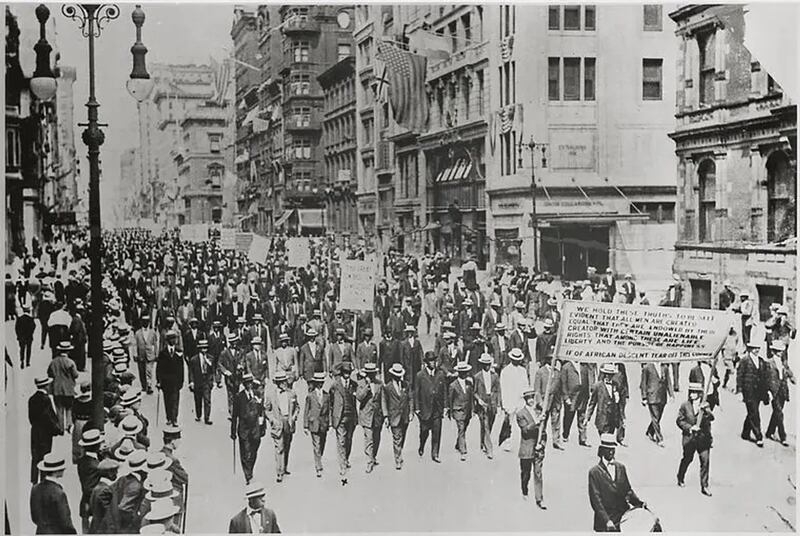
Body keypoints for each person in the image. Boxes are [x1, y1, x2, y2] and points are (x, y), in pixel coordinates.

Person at [588, 434, 645, 532]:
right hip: (605, 523)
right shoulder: (594, 472)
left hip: (622, 519)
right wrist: (607, 521)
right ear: (601, 450)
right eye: (608, 449)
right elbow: (596, 501)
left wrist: (640, 503)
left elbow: (628, 491)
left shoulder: (621, 468)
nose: (611, 452)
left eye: (613, 449)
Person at [676, 382, 714, 496]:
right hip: (690, 439)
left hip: (703, 439)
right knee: (687, 459)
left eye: (695, 392)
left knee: (705, 461)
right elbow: (679, 420)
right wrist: (690, 428)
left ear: (699, 393)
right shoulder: (685, 405)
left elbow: (712, 417)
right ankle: (680, 476)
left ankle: (704, 486)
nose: (692, 394)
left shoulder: (705, 405)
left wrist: (705, 410)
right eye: (691, 392)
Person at [231, 373, 266, 485]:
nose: (249, 385)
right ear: (244, 384)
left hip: (255, 428)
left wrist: (263, 426)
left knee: (254, 449)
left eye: (251, 383)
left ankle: (250, 468)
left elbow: (261, 411)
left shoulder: (256, 394)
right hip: (244, 429)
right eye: (247, 383)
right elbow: (234, 415)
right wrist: (233, 431)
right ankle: (248, 475)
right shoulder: (239, 397)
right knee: (245, 452)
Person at [30, 452, 77, 534]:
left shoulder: (35, 489)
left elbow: (34, 517)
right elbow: (66, 522)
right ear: (57, 471)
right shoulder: (58, 493)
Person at [265, 371, 299, 483]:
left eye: (285, 381)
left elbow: (297, 407)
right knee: (279, 448)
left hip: (288, 422)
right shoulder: (271, 395)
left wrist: (293, 417)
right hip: (278, 423)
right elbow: (267, 409)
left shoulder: (292, 393)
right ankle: (279, 472)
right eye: (281, 382)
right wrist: (272, 420)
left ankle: (284, 467)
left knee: (287, 445)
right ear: (277, 383)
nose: (284, 383)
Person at [29, 375, 62, 484]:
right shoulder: (46, 399)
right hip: (45, 433)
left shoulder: (32, 399)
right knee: (45, 456)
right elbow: (49, 418)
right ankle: (43, 480)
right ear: (46, 386)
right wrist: (57, 430)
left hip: (34, 431)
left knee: (35, 456)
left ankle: (34, 480)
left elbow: (31, 418)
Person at [517, 388, 546, 509]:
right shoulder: (521, 414)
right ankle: (524, 490)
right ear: (525, 400)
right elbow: (525, 430)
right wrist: (537, 422)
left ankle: (539, 499)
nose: (530, 400)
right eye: (528, 398)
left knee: (538, 473)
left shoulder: (539, 411)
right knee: (526, 473)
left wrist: (542, 443)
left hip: (538, 447)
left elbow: (543, 431)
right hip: (527, 448)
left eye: (532, 398)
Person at [737, 340, 770, 447]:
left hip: (759, 392)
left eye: (758, 348)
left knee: (752, 412)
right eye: (755, 348)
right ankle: (759, 436)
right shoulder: (744, 360)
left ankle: (745, 433)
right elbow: (740, 376)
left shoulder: (761, 361)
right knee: (754, 413)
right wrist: (739, 390)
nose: (757, 350)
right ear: (750, 348)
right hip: (748, 391)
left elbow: (764, 377)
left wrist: (766, 392)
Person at [330, 362, 358, 485]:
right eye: (345, 372)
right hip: (340, 418)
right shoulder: (335, 385)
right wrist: (333, 418)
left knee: (349, 440)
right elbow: (331, 402)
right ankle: (342, 465)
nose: (347, 375)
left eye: (349, 373)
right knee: (341, 441)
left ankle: (346, 458)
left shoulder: (353, 385)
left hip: (351, 417)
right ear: (342, 373)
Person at [382, 363, 413, 470]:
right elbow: (384, 402)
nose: (399, 377)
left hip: (404, 416)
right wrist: (386, 416)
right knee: (397, 438)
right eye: (397, 375)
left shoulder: (406, 385)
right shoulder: (387, 387)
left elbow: (410, 399)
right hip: (394, 416)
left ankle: (399, 452)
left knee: (402, 437)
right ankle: (398, 460)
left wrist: (411, 412)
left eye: (400, 374)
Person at [356, 362, 385, 472]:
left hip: (377, 415)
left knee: (376, 437)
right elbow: (359, 397)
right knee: (369, 438)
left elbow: (383, 400)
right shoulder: (361, 383)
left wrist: (385, 415)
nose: (371, 376)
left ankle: (373, 457)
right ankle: (369, 461)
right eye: (369, 374)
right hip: (366, 414)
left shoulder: (380, 384)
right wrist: (366, 388)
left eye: (373, 374)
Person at [500, 348, 530, 452]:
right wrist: (505, 404)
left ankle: (524, 442)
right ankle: (507, 442)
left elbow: (526, 385)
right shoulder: (505, 371)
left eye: (518, 359)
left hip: (520, 400)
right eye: (515, 359)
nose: (517, 361)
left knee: (523, 422)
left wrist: (527, 399)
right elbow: (503, 388)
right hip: (510, 401)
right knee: (509, 423)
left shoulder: (523, 371)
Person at [766, 340, 795, 446]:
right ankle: (783, 437)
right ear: (773, 351)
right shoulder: (768, 363)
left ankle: (769, 432)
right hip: (774, 391)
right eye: (778, 351)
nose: (780, 353)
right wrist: (768, 392)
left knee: (777, 413)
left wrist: (793, 378)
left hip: (783, 390)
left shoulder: (783, 362)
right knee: (779, 413)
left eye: (781, 351)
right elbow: (766, 379)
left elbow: (788, 371)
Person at [47, 341, 79, 432]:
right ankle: (69, 426)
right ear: (68, 351)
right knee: (69, 408)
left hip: (56, 389)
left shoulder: (53, 362)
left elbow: (49, 373)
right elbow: (75, 375)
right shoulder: (70, 362)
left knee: (59, 409)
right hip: (69, 389)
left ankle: (60, 428)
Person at [473, 353, 500, 459]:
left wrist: (498, 404)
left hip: (492, 402)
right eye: (485, 364)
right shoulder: (477, 377)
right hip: (482, 402)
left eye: (488, 363)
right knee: (485, 425)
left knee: (490, 424)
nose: (487, 366)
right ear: (482, 364)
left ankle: (483, 442)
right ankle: (489, 449)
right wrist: (479, 400)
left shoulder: (495, 376)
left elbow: (498, 390)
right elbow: (474, 392)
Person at [640, 361, 673, 447]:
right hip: (652, 396)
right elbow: (643, 383)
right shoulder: (647, 367)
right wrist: (644, 397)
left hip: (662, 396)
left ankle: (650, 431)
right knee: (655, 417)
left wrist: (671, 395)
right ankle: (659, 439)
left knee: (658, 417)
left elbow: (668, 381)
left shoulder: (665, 367)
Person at [303, 372, 330, 478]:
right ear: (315, 383)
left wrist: (330, 423)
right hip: (314, 423)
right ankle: (318, 467)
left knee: (322, 444)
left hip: (324, 423)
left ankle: (319, 459)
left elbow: (329, 410)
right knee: (316, 445)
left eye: (321, 382)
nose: (320, 384)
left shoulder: (326, 395)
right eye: (318, 383)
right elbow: (306, 411)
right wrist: (305, 425)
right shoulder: (310, 396)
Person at [115, 449, 148, 533]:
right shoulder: (136, 486)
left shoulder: (123, 478)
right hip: (128, 526)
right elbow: (124, 508)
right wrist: (136, 520)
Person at [586, 363, 622, 440]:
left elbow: (619, 405)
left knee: (610, 438)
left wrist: (621, 418)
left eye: (611, 375)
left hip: (613, 419)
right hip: (602, 418)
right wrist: (587, 417)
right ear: (605, 375)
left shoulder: (616, 385)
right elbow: (592, 403)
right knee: (605, 440)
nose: (609, 377)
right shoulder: (597, 386)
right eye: (608, 374)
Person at [76, 429, 102, 532]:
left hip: (85, 503)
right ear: (97, 445)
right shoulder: (96, 465)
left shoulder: (82, 461)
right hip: (94, 504)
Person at [156, 331, 184, 426]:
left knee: (175, 401)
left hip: (176, 382)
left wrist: (181, 381)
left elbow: (181, 368)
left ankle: (174, 419)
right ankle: (168, 417)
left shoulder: (179, 351)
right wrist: (159, 381)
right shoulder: (163, 353)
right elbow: (159, 369)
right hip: (166, 382)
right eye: (172, 339)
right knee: (167, 401)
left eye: (175, 338)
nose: (174, 340)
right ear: (168, 341)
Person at [449, 362, 473, 461]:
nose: (465, 374)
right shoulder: (453, 385)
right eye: (463, 372)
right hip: (458, 410)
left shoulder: (469, 383)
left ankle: (458, 444)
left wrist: (473, 409)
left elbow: (471, 397)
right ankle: (463, 451)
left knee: (464, 429)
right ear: (459, 373)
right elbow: (450, 399)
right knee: (461, 429)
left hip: (467, 411)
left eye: (466, 372)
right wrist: (450, 412)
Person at [88, 458, 121, 534]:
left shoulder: (97, 487)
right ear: (109, 473)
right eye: (115, 471)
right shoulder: (105, 490)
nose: (116, 473)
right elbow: (109, 516)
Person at [188, 339, 215, 424]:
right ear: (199, 349)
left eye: (206, 348)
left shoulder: (210, 358)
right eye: (202, 348)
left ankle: (207, 418)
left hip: (206, 381)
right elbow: (191, 372)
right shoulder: (194, 359)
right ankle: (198, 415)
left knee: (207, 400)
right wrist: (191, 381)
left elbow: (213, 370)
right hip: (198, 380)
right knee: (198, 399)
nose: (204, 350)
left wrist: (212, 381)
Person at [134, 314, 158, 394]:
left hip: (149, 354)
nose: (145, 323)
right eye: (144, 321)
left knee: (149, 371)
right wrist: (135, 354)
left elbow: (155, 344)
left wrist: (156, 353)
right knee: (141, 371)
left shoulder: (152, 332)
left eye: (147, 321)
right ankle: (144, 385)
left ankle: (149, 385)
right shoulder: (137, 333)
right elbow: (135, 344)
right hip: (141, 354)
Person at [15, 304, 35, 368]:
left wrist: (18, 335)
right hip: (29, 337)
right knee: (28, 349)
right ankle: (27, 362)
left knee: (22, 349)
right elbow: (33, 327)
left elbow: (16, 328)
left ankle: (22, 360)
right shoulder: (31, 319)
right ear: (29, 311)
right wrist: (31, 333)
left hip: (21, 337)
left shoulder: (20, 318)